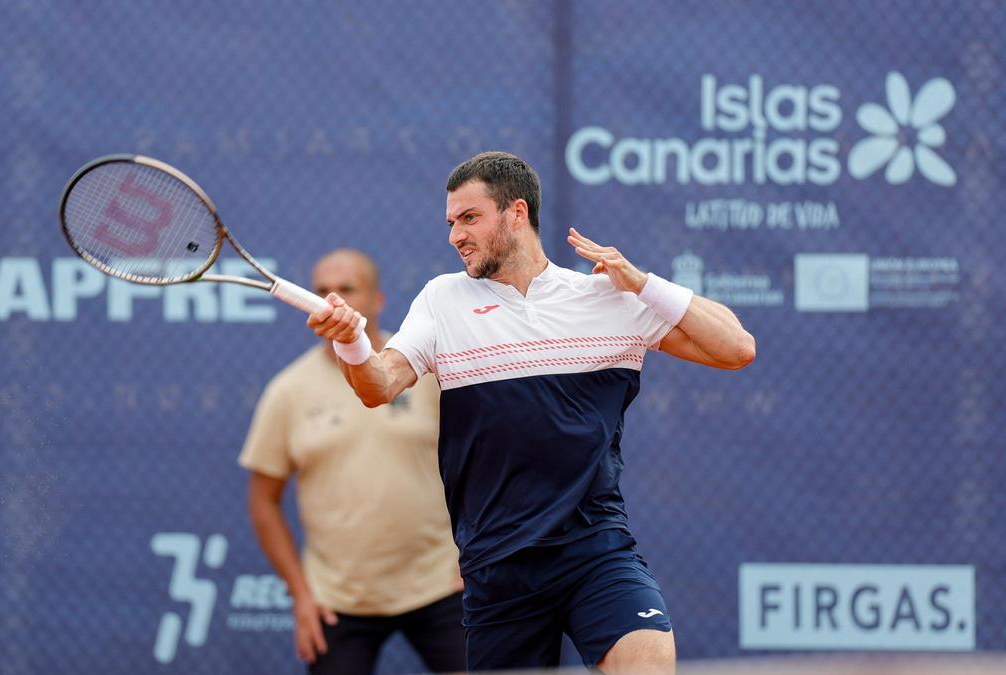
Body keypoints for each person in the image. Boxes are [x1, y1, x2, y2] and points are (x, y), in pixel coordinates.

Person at [307, 152, 756, 674]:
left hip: (596, 548)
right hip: (498, 564)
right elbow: (378, 386)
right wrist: (353, 344)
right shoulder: (442, 301)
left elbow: (736, 348)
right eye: (451, 222)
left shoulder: (604, 299)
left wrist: (641, 283)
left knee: (649, 662)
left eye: (470, 218)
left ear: (516, 213)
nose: (456, 235)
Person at [239, 248, 466, 675]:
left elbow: (483, 465)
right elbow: (263, 503)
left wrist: (472, 556)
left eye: (346, 289)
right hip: (337, 600)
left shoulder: (429, 370)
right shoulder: (287, 392)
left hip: (440, 587)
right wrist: (302, 595)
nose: (332, 300)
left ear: (377, 300)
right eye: (322, 290)